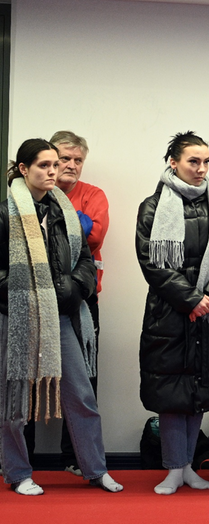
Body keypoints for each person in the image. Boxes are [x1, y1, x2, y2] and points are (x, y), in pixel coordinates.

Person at [0, 139, 122, 495]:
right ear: (24, 169)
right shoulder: (5, 213)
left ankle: (95, 470)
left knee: (81, 395)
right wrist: (24, 293)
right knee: (14, 400)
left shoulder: (64, 213)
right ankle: (18, 473)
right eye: (44, 165)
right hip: (17, 316)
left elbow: (84, 258)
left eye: (55, 165)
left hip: (62, 316)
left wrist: (73, 289)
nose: (53, 171)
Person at [136, 131, 209, 494]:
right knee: (172, 395)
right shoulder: (152, 207)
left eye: (206, 161)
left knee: (200, 391)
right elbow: (152, 263)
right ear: (174, 162)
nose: (201, 169)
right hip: (168, 315)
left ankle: (188, 467)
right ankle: (173, 468)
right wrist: (191, 299)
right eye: (193, 161)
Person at [21, 131, 110, 476]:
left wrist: (70, 227)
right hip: (32, 303)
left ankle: (77, 459)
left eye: (77, 160)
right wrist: (78, 222)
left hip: (80, 300)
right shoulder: (22, 201)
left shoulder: (93, 194)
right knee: (26, 381)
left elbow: (94, 236)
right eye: (63, 159)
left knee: (83, 380)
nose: (70, 166)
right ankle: (21, 460)